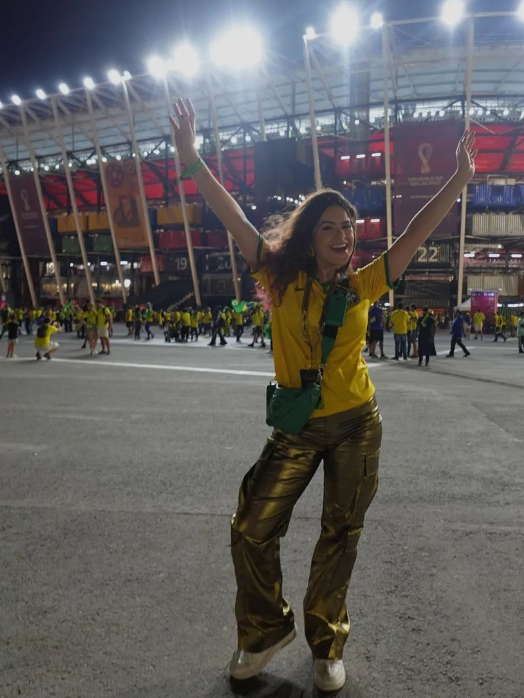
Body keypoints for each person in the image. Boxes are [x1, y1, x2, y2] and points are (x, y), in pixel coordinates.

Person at [170, 96, 476, 691]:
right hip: (297, 428)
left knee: (341, 533)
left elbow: (417, 230)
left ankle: (326, 642)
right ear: (310, 236)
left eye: (350, 228)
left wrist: (459, 178)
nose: (344, 235)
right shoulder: (274, 274)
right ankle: (262, 632)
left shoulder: (365, 283)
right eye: (331, 227)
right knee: (251, 527)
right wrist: (189, 158)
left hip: (358, 422)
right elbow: (228, 210)